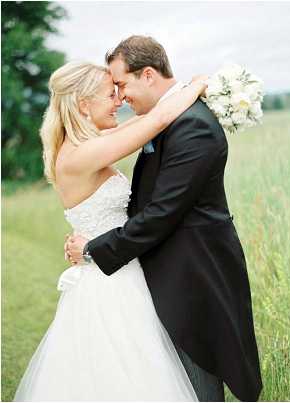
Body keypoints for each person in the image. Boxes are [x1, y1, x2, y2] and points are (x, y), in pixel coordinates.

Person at [64, 36, 262, 402]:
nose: (120, 97)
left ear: (149, 74)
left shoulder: (192, 126)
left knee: (196, 383)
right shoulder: (164, 121)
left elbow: (161, 213)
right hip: (158, 278)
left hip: (192, 279)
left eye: (121, 84)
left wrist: (94, 248)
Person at [14, 60, 206, 401]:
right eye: (110, 94)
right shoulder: (79, 155)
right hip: (109, 282)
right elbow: (158, 120)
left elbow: (147, 119)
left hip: (117, 267)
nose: (119, 100)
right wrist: (201, 85)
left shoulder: (90, 142)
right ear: (84, 104)